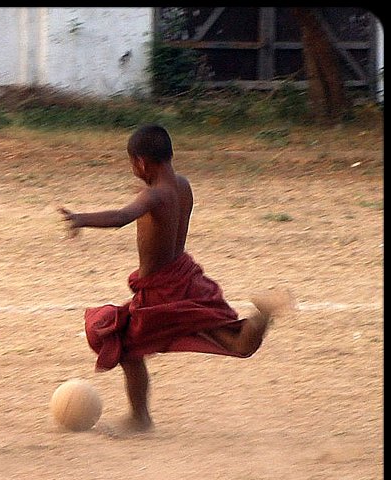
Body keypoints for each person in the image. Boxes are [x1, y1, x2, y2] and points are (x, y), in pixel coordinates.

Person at [59, 124, 293, 437]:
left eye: (132, 164)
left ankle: (139, 419)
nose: (133, 171)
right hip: (186, 279)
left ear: (141, 162)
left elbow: (121, 218)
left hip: (161, 290)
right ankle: (262, 315)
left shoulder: (154, 195)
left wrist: (81, 219)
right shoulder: (182, 186)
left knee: (124, 343)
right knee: (239, 344)